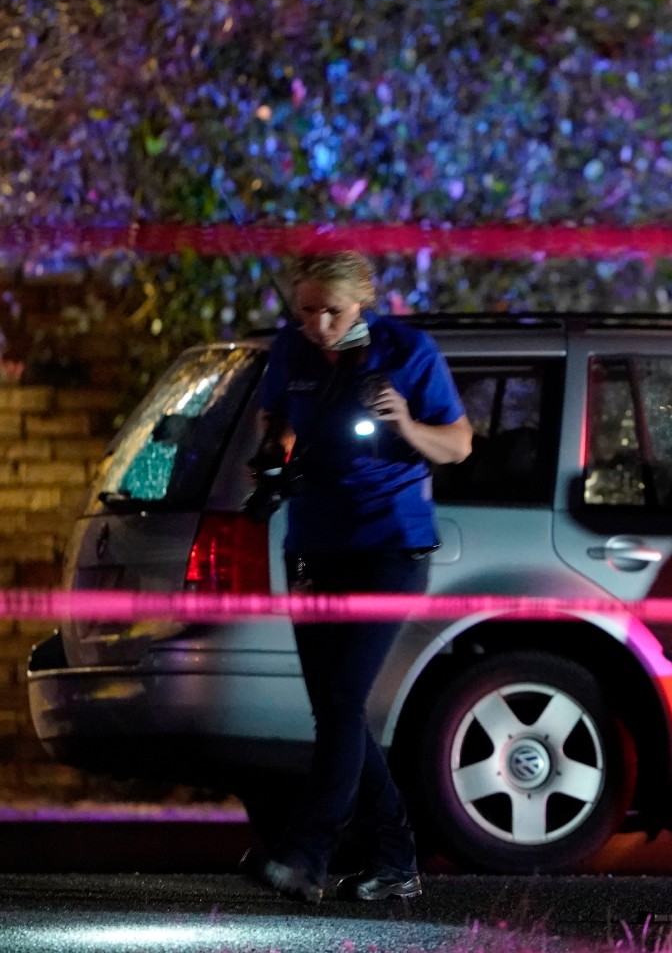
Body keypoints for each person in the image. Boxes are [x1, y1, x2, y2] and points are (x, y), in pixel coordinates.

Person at [242, 252, 472, 905]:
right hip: (313, 547)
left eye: (333, 310)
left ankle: (305, 854)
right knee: (335, 710)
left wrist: (404, 423)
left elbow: (458, 444)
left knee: (343, 702)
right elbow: (278, 423)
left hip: (387, 548)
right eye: (306, 310)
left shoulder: (409, 350)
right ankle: (396, 860)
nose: (318, 324)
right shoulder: (292, 349)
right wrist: (272, 455)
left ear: (364, 298)